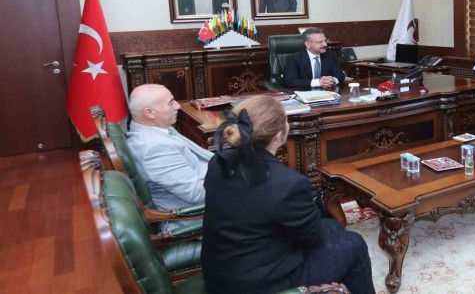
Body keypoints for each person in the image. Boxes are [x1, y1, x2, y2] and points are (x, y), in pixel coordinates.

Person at [201, 96, 375, 294]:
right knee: (355, 244)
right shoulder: (287, 183)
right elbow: (311, 239)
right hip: (255, 284)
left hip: (220, 272)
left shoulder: (218, 162)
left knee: (333, 226)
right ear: (279, 135)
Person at [126, 84, 213, 217]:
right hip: (202, 215)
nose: (178, 106)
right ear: (149, 113)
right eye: (171, 103)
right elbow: (198, 195)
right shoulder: (155, 149)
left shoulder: (154, 130)